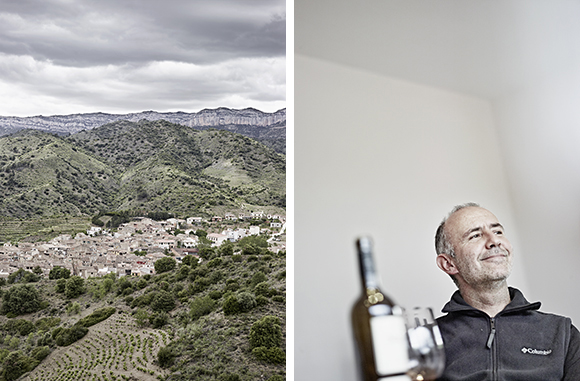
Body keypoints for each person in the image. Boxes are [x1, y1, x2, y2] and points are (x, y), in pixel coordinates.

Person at [434, 202, 580, 380]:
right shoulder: (427, 341)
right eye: (475, 235)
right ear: (449, 264)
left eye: (498, 232)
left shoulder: (561, 332)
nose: (494, 241)